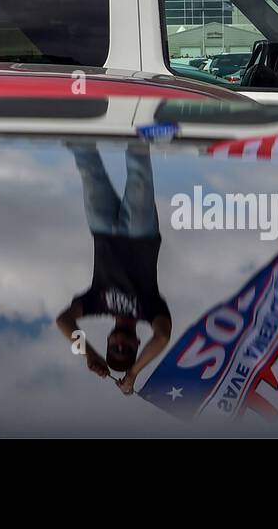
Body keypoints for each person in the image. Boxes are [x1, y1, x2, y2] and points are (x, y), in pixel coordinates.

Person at [55, 143, 171, 394]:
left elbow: (63, 321)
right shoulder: (150, 311)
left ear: (107, 340)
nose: (120, 345)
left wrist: (89, 354)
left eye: (113, 348)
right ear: (138, 344)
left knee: (88, 167)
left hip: (102, 230)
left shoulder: (97, 304)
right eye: (127, 350)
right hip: (141, 234)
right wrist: (133, 374)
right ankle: (140, 122)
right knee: (139, 169)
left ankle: (72, 116)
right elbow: (162, 338)